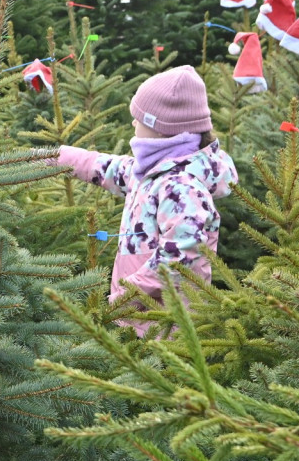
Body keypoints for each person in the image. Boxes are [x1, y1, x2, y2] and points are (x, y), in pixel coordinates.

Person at [54, 65, 237, 337]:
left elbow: (179, 258)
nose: (133, 123)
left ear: (160, 129)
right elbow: (102, 166)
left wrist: (125, 296)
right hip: (137, 320)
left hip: (167, 329)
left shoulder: (180, 187)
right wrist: (51, 157)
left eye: (138, 118)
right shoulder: (150, 171)